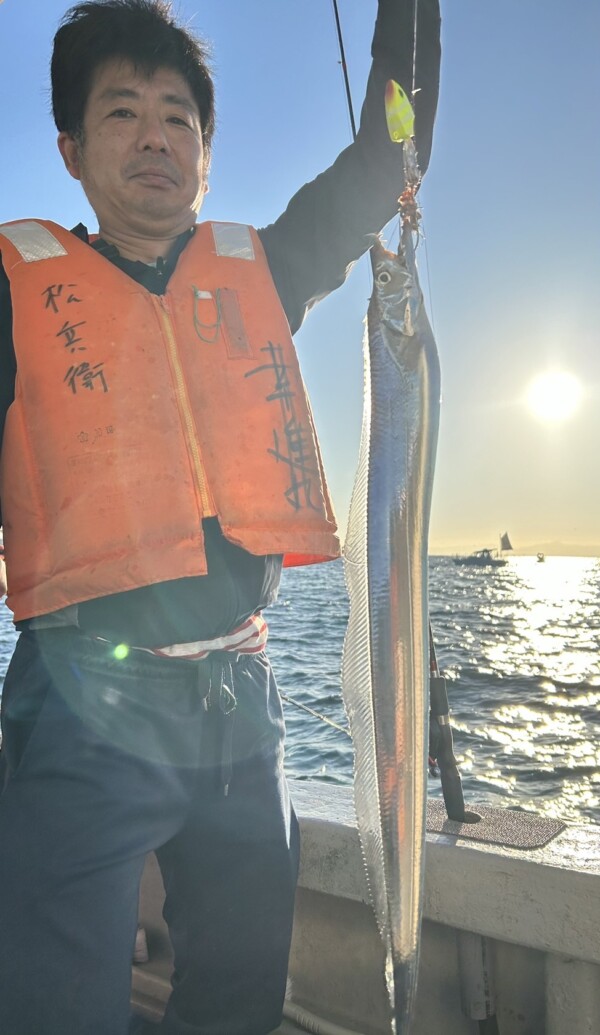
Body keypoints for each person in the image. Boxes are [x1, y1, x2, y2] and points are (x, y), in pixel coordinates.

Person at [0, 1, 441, 1033]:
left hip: (241, 712)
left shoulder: (267, 269)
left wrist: (410, 22)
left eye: (178, 117)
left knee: (242, 1004)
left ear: (205, 151)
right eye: (121, 113)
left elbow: (391, 145)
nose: (155, 136)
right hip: (79, 707)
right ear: (70, 149)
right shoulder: (17, 295)